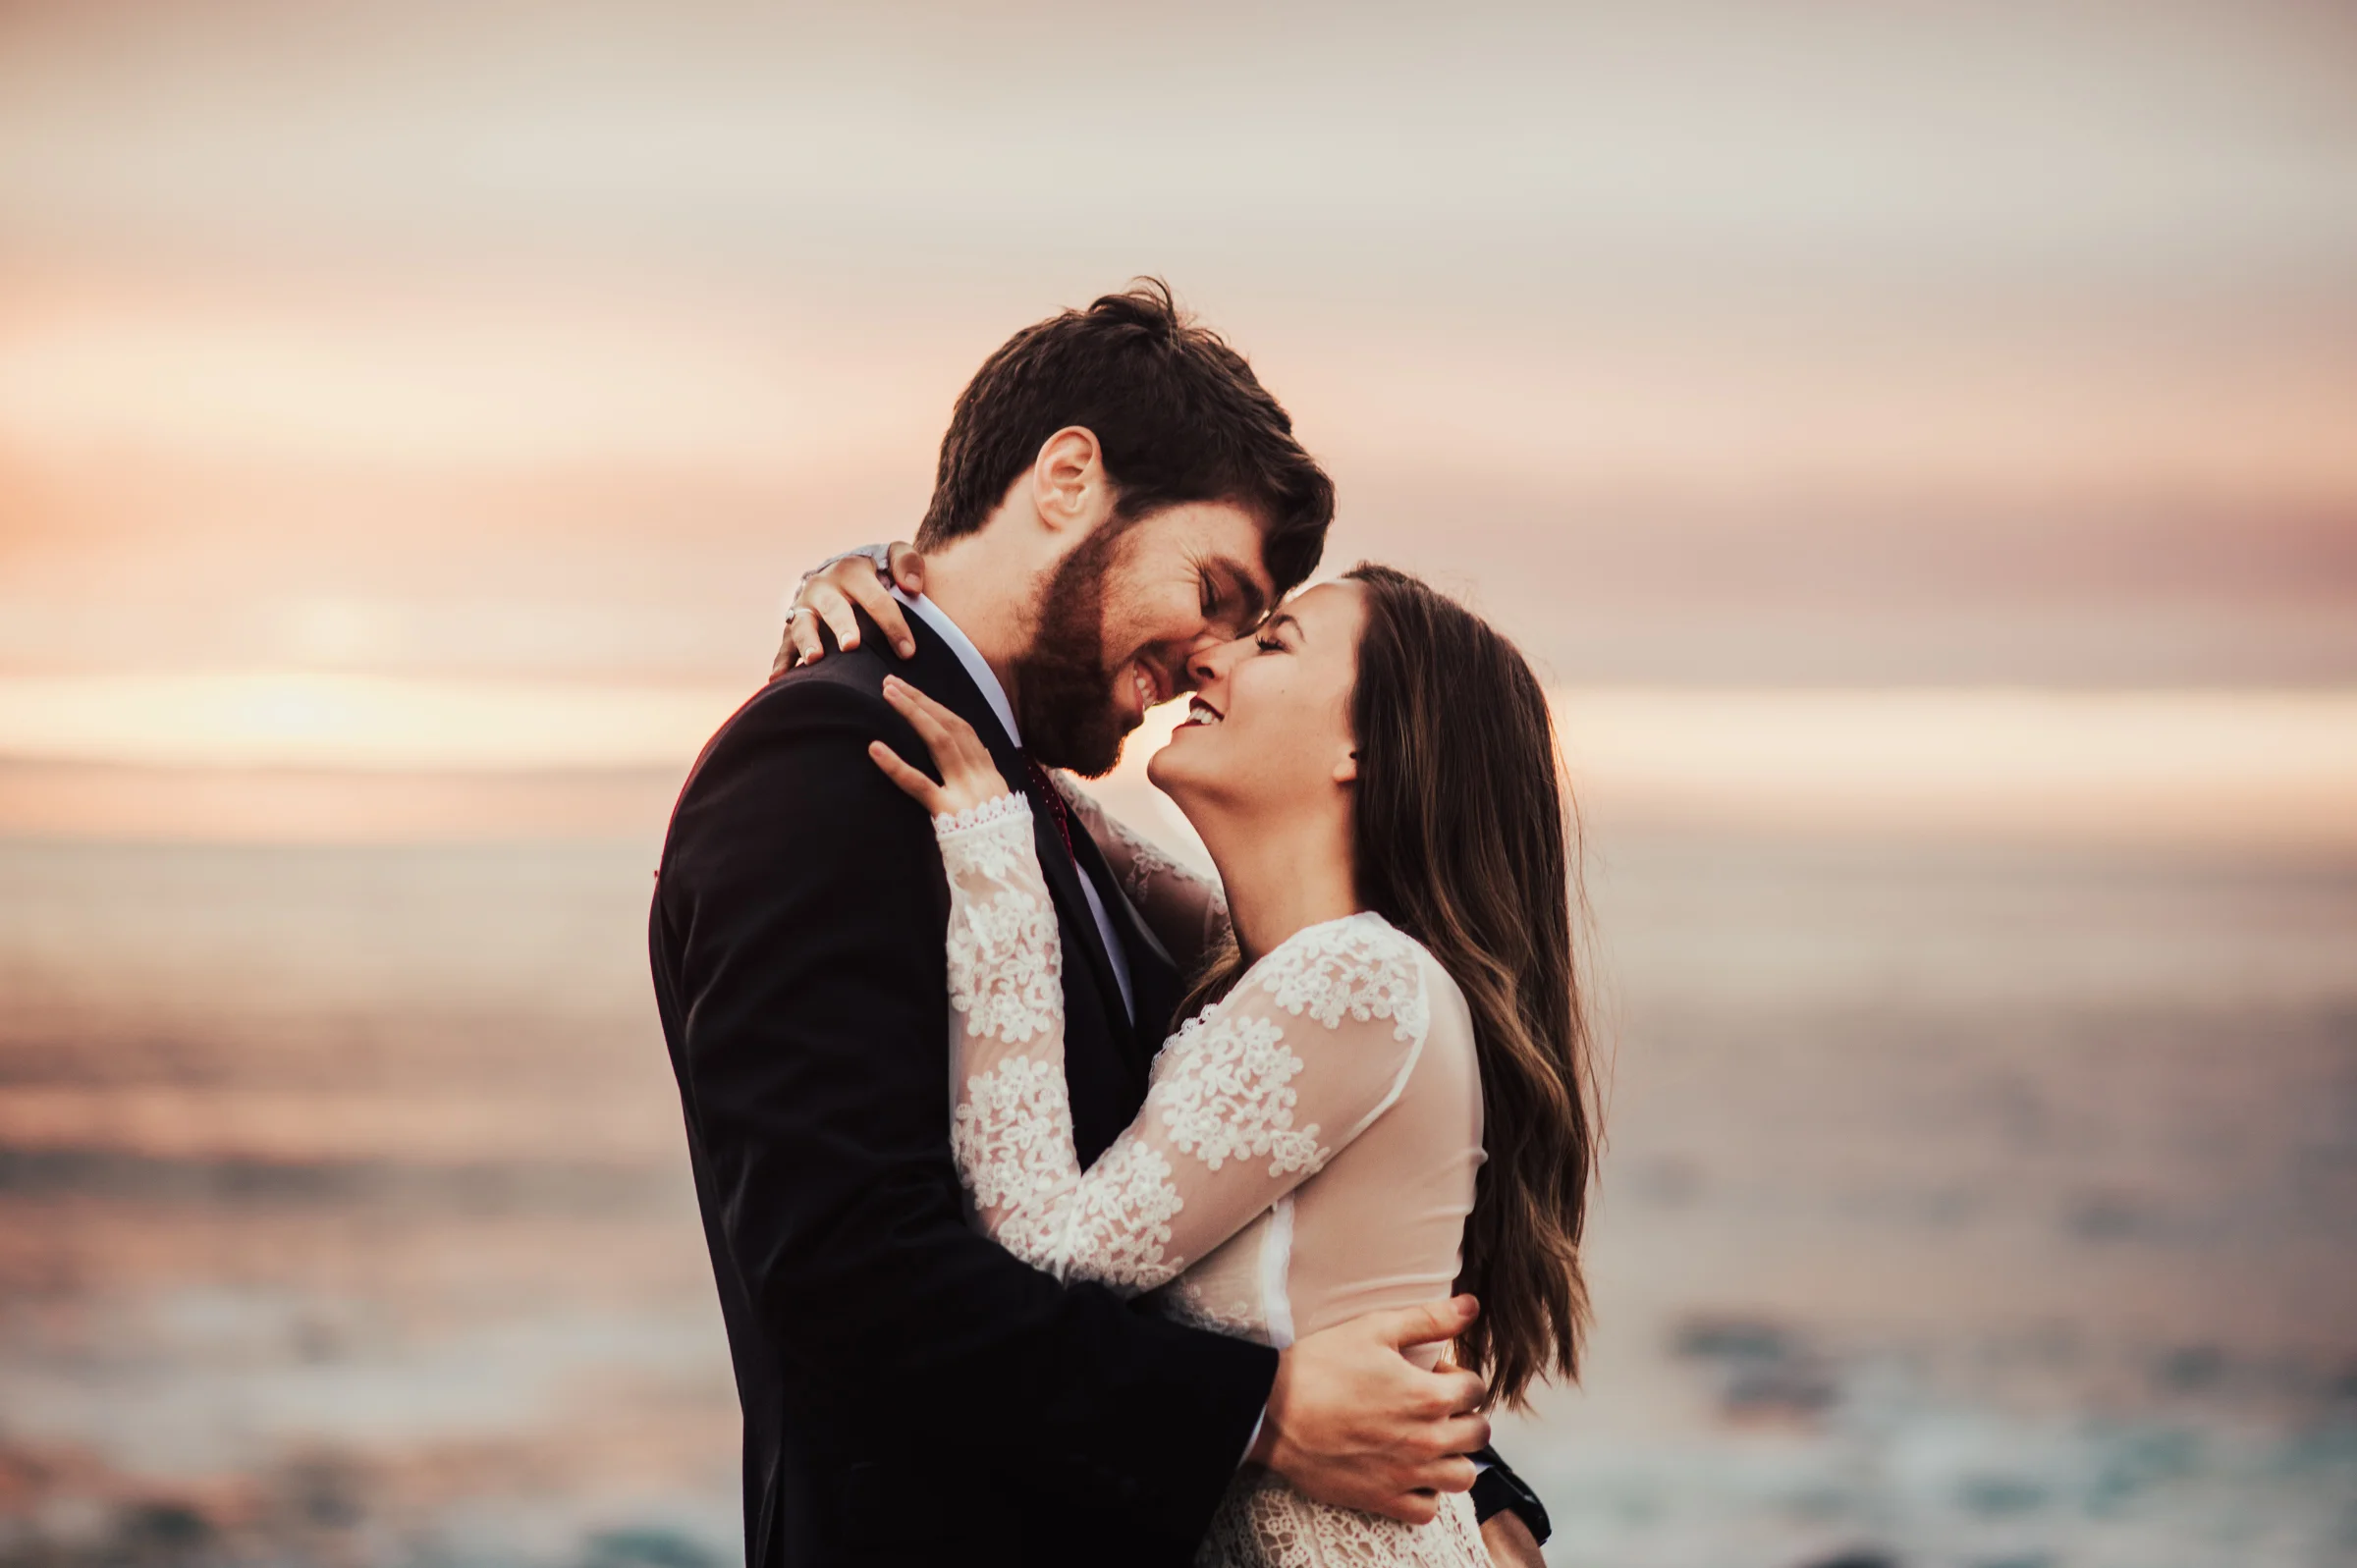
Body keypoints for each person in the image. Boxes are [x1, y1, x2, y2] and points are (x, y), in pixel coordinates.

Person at [649, 284, 1551, 1568]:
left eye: (1259, 633)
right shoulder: (831, 760)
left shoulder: (1038, 822)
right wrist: (1264, 1417)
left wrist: (1467, 1482)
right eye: (1216, 587)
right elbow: (845, 1269)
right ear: (1068, 479)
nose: (1209, 659)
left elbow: (1248, 1198)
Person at [805, 555, 1597, 1565]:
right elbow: (1045, 796)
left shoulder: (1358, 978)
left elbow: (1049, 1255)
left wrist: (991, 858)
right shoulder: (1284, 964)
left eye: (1273, 643)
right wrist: (878, 590)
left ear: (1362, 745)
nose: (1212, 656)